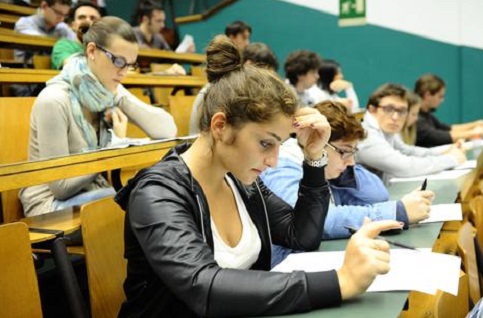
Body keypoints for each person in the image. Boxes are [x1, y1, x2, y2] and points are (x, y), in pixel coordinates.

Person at [114, 34, 402, 317]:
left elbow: (300, 236)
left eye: (279, 144)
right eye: (266, 143)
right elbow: (205, 286)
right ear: (220, 126)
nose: (274, 161)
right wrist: (340, 281)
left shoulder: (239, 180)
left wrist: (314, 158)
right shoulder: (157, 194)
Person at [19, 16, 177, 217]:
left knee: (154, 192)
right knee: (140, 200)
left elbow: (167, 130)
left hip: (92, 194)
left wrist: (119, 95)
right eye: (119, 61)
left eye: (130, 65)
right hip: (48, 207)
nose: (124, 72)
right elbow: (61, 186)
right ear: (92, 51)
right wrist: (108, 152)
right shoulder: (54, 100)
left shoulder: (106, 92)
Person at [261, 101, 434, 266]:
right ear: (318, 140)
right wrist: (399, 211)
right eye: (344, 151)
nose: (351, 162)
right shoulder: (282, 168)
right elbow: (319, 221)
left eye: (353, 152)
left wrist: (340, 162)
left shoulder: (323, 168)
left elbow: (377, 194)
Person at [356, 83, 466, 183]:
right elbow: (404, 167)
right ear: (372, 109)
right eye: (388, 109)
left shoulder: (383, 128)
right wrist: (451, 159)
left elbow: (407, 151)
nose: (395, 117)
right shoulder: (366, 135)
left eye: (402, 111)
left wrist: (446, 150)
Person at [188, 41, 279, 135]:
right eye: (265, 76)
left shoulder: (239, 91)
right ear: (249, 65)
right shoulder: (221, 92)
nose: (266, 84)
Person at [414, 73, 483, 147]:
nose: (442, 100)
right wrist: (473, 132)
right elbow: (437, 137)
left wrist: (477, 124)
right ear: (427, 95)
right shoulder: (416, 118)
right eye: (440, 96)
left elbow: (447, 129)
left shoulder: (427, 115)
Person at [51, 1, 101, 69]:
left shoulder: (104, 49)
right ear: (72, 25)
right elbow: (73, 67)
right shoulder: (63, 45)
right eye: (82, 17)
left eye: (93, 18)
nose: (88, 21)